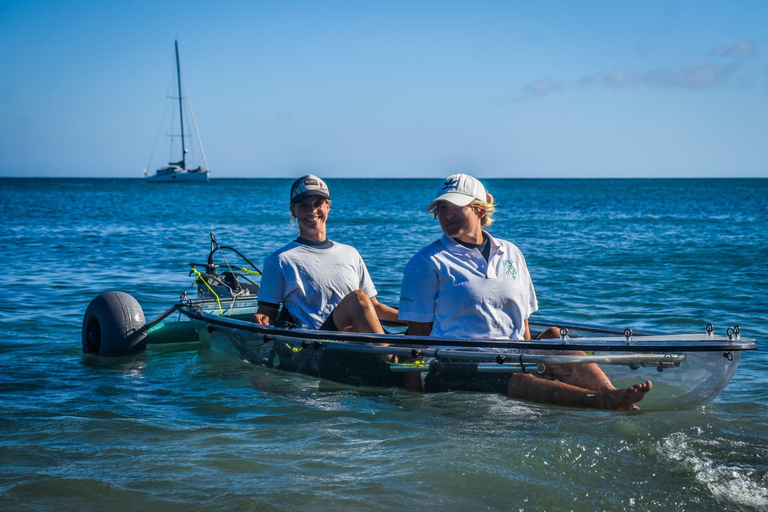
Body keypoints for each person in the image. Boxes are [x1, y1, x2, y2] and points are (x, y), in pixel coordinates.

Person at [399, 173, 652, 410]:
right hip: (454, 363)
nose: (448, 215)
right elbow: (417, 340)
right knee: (513, 375)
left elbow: (524, 324)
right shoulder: (426, 262)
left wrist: (534, 358)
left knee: (553, 336)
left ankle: (614, 393)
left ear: (479, 209)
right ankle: (598, 401)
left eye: (457, 207)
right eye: (443, 208)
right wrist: (413, 394)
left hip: (510, 354)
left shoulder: (511, 252)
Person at [252, 174, 399, 334]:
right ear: (293, 210)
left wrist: (419, 318)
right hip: (315, 345)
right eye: (304, 205)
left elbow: (374, 308)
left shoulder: (350, 253)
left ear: (328, 206)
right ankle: (392, 358)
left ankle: (395, 353)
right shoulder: (279, 260)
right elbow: (267, 313)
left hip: (356, 339)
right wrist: (262, 319)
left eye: (318, 204)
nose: (312, 211)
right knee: (357, 298)